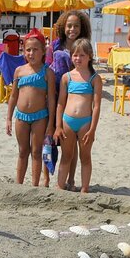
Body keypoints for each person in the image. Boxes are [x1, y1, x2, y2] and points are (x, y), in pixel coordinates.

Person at [6, 31, 57, 187]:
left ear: (43, 51)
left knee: (36, 152)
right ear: (24, 51)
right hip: (21, 116)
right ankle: (19, 184)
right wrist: (8, 118)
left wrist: (50, 124)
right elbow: (13, 96)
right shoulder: (19, 71)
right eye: (28, 49)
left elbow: (51, 100)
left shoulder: (48, 72)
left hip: (40, 117)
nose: (31, 53)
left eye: (35, 49)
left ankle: (34, 186)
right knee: (22, 151)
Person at [55, 39, 102, 193]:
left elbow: (96, 106)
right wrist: (58, 126)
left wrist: (93, 129)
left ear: (89, 56)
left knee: (85, 157)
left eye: (82, 55)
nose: (78, 58)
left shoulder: (95, 78)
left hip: (85, 123)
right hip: (67, 122)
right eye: (75, 55)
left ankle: (85, 188)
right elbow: (60, 104)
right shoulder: (66, 77)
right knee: (66, 156)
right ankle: (60, 187)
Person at [50, 10, 92, 86]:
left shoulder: (85, 47)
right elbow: (47, 68)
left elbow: (89, 68)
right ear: (63, 27)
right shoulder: (54, 46)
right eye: (69, 26)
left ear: (81, 28)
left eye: (76, 26)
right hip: (55, 90)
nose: (72, 29)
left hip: (76, 90)